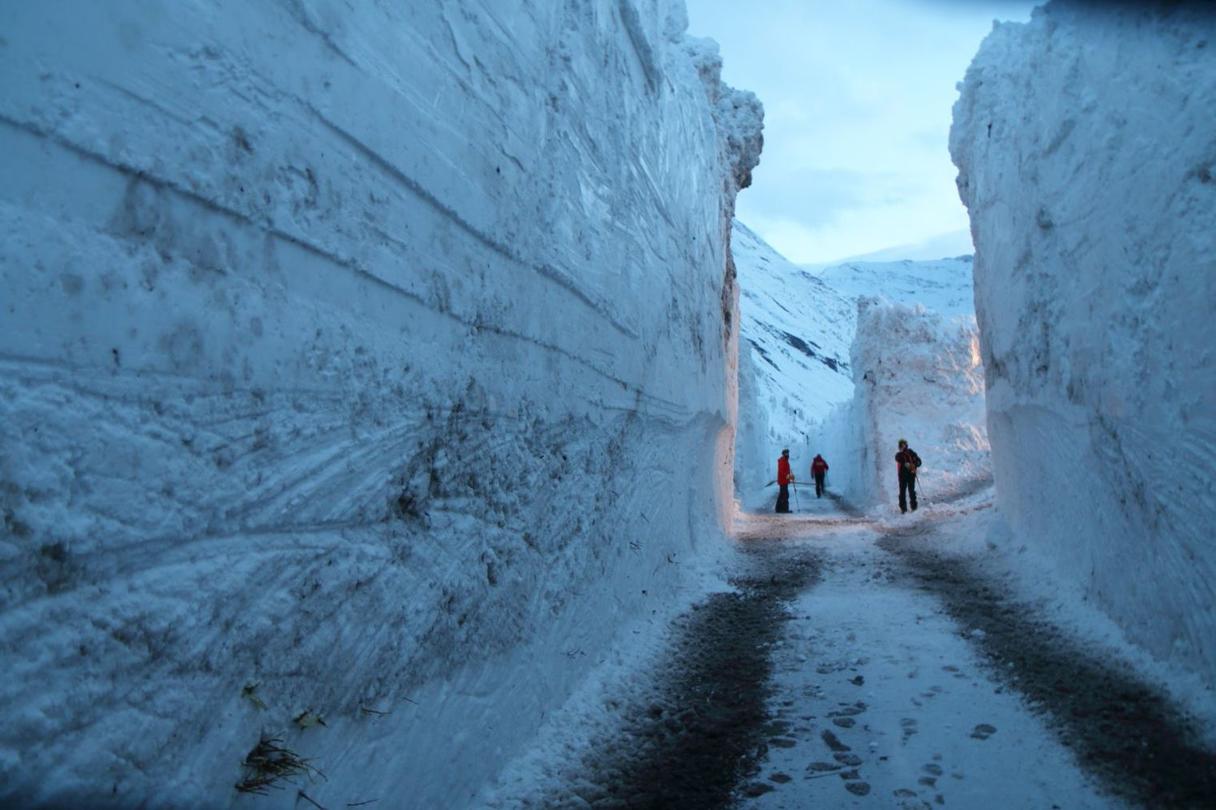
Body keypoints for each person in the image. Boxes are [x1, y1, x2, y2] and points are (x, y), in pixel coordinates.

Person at [895, 438, 921, 513]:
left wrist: (915, 464)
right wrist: (908, 464)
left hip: (911, 475)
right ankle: (903, 509)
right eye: (900, 445)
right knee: (902, 492)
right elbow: (898, 459)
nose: (901, 447)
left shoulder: (911, 453)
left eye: (902, 445)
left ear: (906, 445)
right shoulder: (899, 455)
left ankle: (914, 507)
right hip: (902, 476)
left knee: (911, 491)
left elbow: (919, 461)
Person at [775, 449, 793, 513]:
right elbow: (782, 471)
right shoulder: (783, 460)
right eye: (786, 453)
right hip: (783, 480)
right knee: (785, 495)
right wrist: (788, 476)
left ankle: (779, 509)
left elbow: (786, 470)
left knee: (782, 494)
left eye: (788, 453)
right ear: (783, 454)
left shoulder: (785, 460)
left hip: (784, 480)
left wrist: (789, 476)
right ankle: (784, 509)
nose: (787, 454)